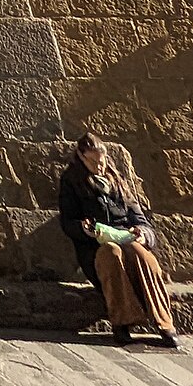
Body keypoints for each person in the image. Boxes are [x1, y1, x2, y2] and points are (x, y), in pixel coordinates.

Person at [58, 130, 179, 347]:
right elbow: (68, 222)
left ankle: (164, 323)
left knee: (142, 255)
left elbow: (140, 218)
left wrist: (143, 234)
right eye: (93, 162)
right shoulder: (72, 182)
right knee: (111, 253)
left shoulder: (117, 181)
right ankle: (122, 322)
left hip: (126, 238)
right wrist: (83, 229)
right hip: (95, 245)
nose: (99, 167)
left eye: (101, 162)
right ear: (82, 158)